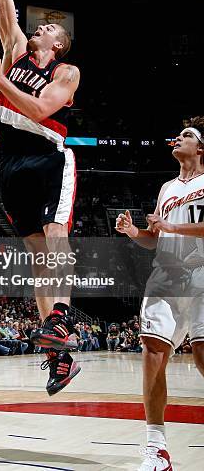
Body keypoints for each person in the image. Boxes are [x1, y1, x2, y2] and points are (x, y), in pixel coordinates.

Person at [0, 0, 80, 395]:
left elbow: (42, 110)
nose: (38, 27)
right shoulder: (15, 49)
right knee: (37, 260)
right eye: (37, 25)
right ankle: (59, 359)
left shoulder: (68, 72)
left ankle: (61, 318)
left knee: (55, 236)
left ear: (56, 45)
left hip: (48, 156)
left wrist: (0, 83)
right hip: (10, 163)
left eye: (47, 28)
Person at [116, 118, 204, 471]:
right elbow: (158, 237)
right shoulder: (167, 188)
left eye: (186, 135)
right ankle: (157, 449)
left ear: (200, 148)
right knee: (153, 350)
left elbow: (179, 228)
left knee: (201, 355)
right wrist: (135, 232)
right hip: (166, 275)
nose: (178, 138)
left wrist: (171, 226)